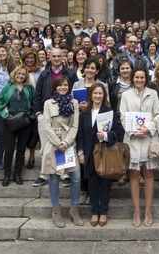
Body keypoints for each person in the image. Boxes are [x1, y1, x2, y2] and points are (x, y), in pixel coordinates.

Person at [77, 83, 124, 227]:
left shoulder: (109, 111)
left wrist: (107, 135)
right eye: (95, 93)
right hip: (88, 153)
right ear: (91, 95)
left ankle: (103, 212)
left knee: (104, 184)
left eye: (100, 93)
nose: (98, 96)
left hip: (105, 153)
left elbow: (119, 132)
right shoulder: (84, 113)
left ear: (104, 96)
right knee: (91, 184)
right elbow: (80, 135)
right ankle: (94, 212)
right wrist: (80, 152)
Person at [120, 68, 159, 227]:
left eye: (142, 77)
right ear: (133, 79)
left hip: (149, 139)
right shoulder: (125, 95)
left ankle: (148, 211)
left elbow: (158, 115)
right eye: (136, 77)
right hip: (132, 139)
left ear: (146, 78)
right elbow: (123, 115)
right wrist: (133, 130)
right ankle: (137, 210)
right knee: (134, 175)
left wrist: (148, 128)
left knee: (149, 174)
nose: (139, 79)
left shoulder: (153, 93)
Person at [31, 48, 78, 187]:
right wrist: (38, 113)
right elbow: (37, 95)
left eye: (59, 56)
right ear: (49, 57)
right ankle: (44, 174)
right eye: (54, 56)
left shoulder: (69, 74)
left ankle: (63, 174)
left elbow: (75, 91)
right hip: (46, 114)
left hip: (64, 114)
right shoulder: (44, 74)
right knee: (46, 146)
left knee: (62, 143)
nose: (56, 58)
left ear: (63, 57)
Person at [40, 77, 82, 228]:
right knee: (54, 178)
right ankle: (56, 210)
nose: (63, 87)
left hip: (68, 144)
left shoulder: (74, 103)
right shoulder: (48, 103)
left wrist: (66, 142)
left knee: (76, 176)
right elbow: (46, 126)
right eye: (60, 85)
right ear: (55, 87)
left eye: (65, 85)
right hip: (53, 144)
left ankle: (74, 209)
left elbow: (75, 126)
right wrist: (58, 143)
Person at [0, 66, 35, 186]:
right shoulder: (8, 87)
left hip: (25, 122)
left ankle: (18, 174)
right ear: (14, 74)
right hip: (10, 122)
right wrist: (6, 115)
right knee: (8, 150)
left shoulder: (29, 88)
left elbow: (34, 103)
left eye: (23, 74)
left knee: (21, 150)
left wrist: (30, 116)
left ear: (26, 76)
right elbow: (1, 102)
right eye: (19, 73)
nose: (20, 76)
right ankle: (7, 175)